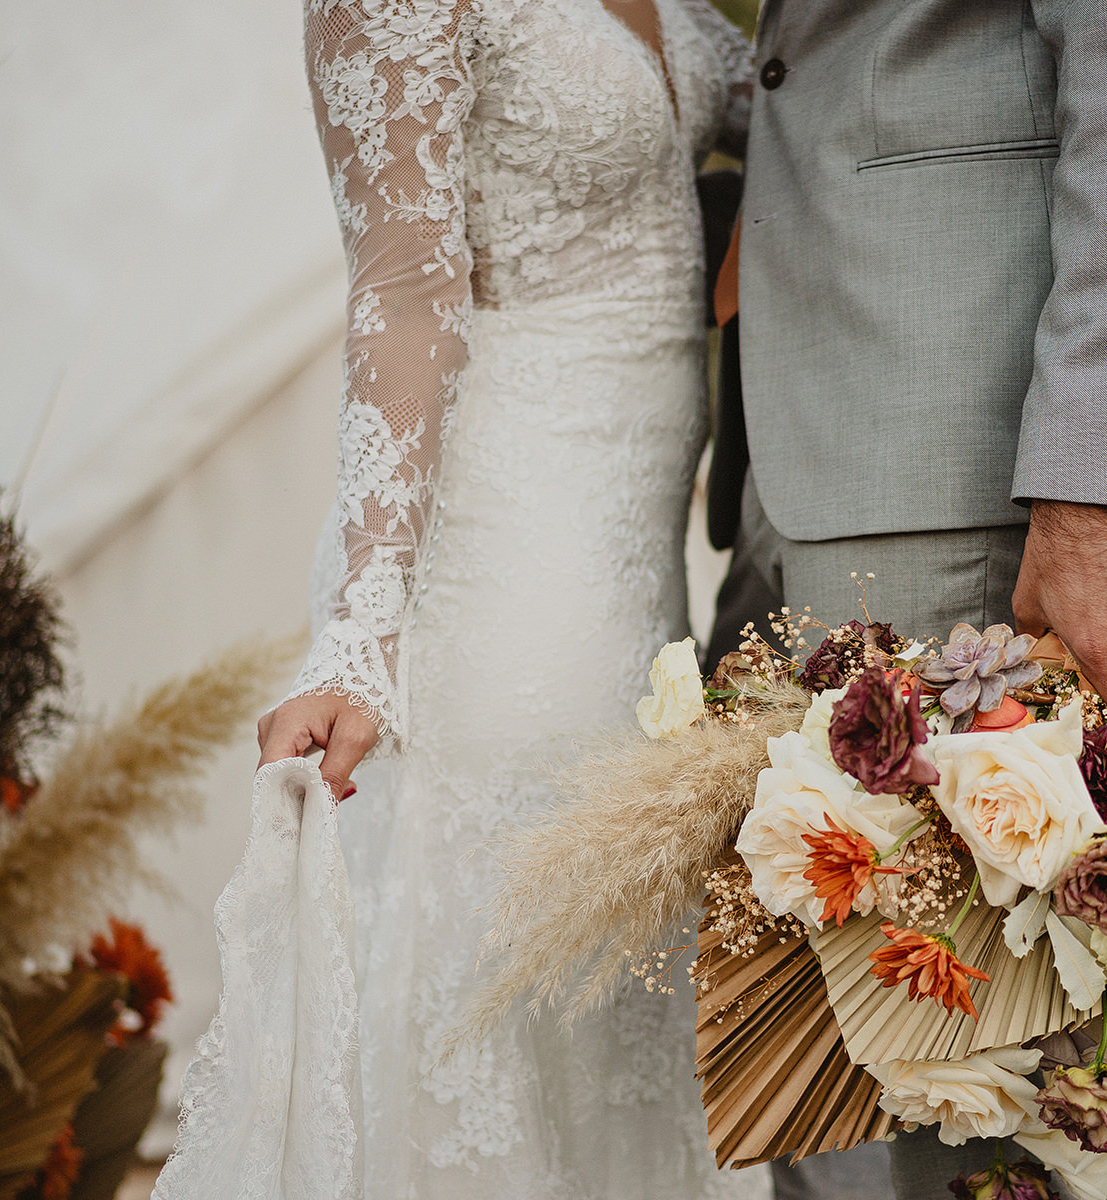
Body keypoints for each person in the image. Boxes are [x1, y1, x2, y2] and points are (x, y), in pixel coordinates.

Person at [157, 1, 765, 1196]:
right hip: (500, 547)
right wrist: (360, 636)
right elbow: (402, 296)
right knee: (499, 951)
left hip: (632, 560)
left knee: (616, 968)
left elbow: (790, 99)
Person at [718, 2, 1107, 1197]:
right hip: (816, 443)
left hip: (983, 468)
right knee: (847, 1103)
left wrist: (1099, 489)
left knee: (991, 1100)